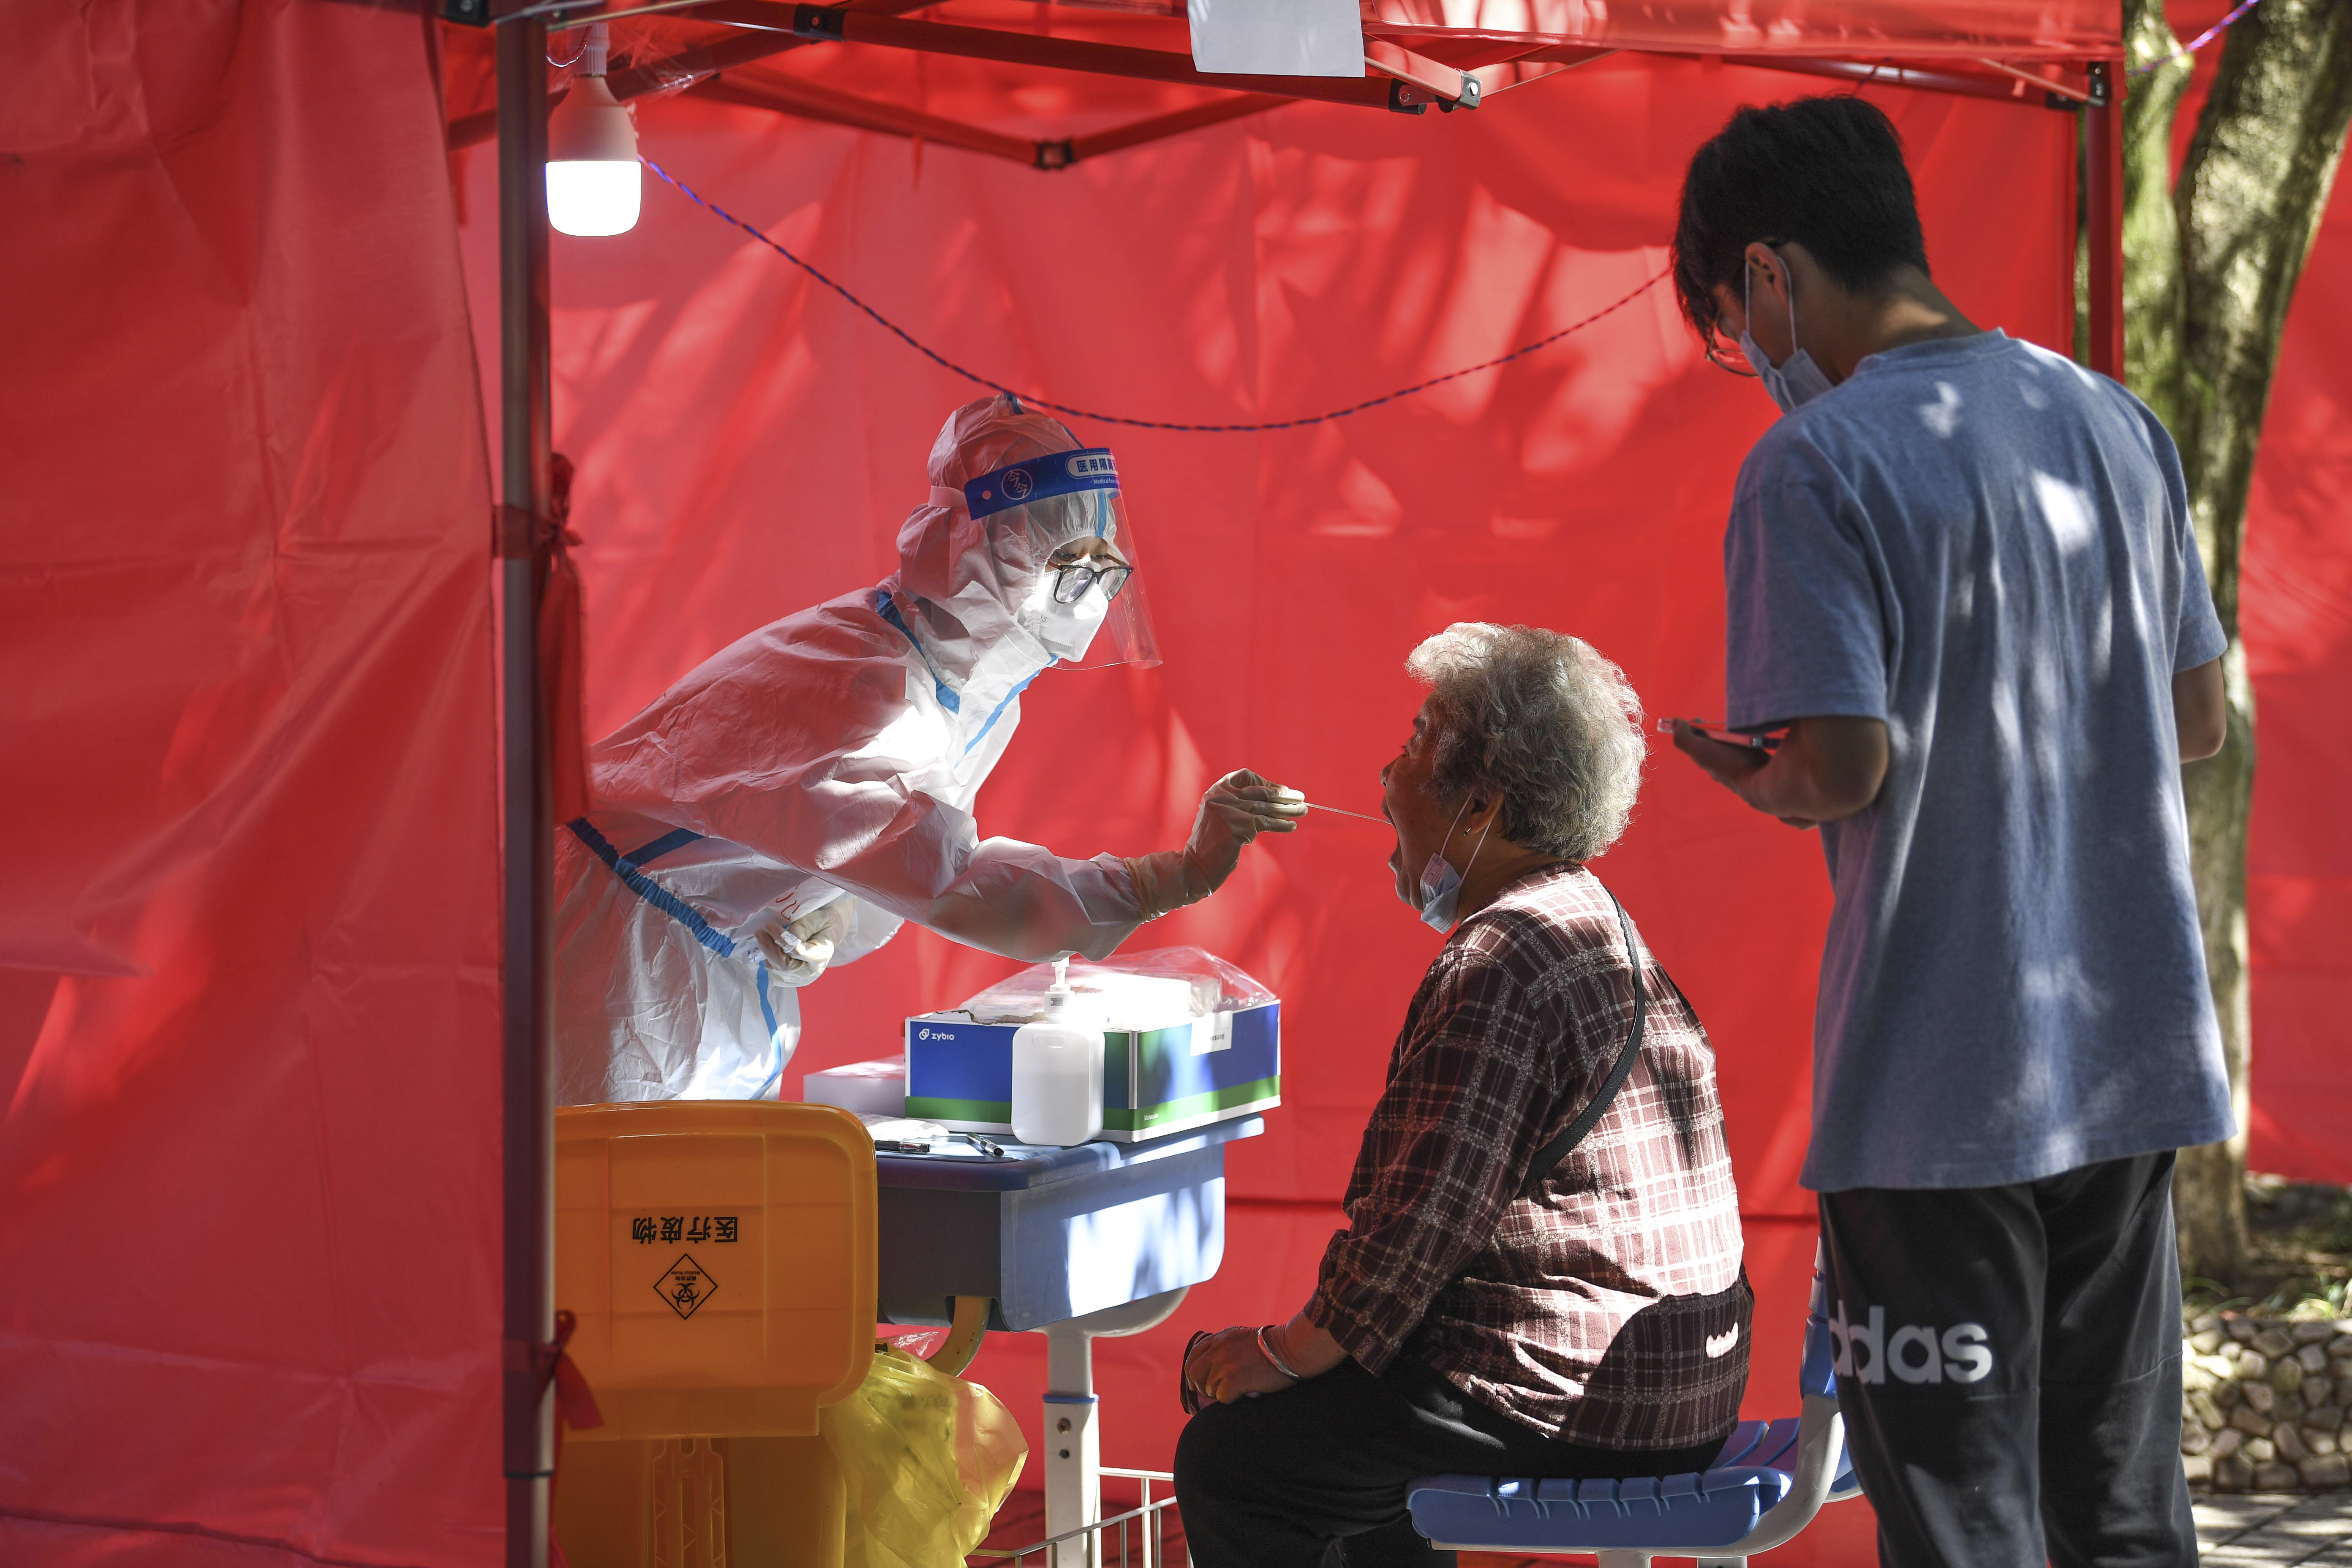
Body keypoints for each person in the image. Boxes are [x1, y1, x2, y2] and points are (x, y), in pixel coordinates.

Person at [1666, 96, 2231, 1568]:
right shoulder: (2112, 419)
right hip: (2127, 1062)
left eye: (1733, 319)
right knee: (2117, 1515)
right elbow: (2193, 724)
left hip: (1933, 1091)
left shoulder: (1813, 465)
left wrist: (1750, 772)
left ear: (1768, 273)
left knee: (1962, 1529)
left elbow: (1841, 766)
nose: (1752, 359)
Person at [1174, 623, 1750, 1568]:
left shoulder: (1503, 955)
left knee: (1237, 1462)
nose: (1385, 773)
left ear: (1480, 804)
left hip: (1590, 1396)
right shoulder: (1593, 916)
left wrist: (1283, 1349)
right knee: (1370, 1428)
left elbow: (1421, 1219)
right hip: (1683, 1381)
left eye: (1414, 740)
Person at [553, 393, 1304, 1105]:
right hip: (614, 963)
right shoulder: (864, 684)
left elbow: (887, 853)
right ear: (975, 549)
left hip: (699, 968)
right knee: (603, 1217)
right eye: (1068, 564)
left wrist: (833, 917)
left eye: (1104, 567)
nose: (1090, 596)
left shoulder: (960, 689)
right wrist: (1166, 879)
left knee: (683, 1219)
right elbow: (952, 877)